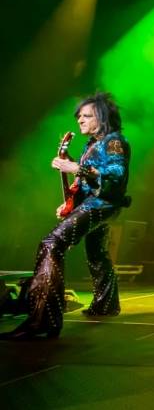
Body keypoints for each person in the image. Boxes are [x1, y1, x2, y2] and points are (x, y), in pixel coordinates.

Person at [1, 92, 130, 339]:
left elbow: (114, 176)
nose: (80, 120)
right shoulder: (91, 144)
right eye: (79, 115)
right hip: (96, 203)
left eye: (86, 115)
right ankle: (106, 304)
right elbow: (88, 178)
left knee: (51, 244)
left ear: (102, 118)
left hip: (101, 205)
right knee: (97, 253)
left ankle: (44, 320)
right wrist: (72, 185)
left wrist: (76, 168)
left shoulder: (114, 142)